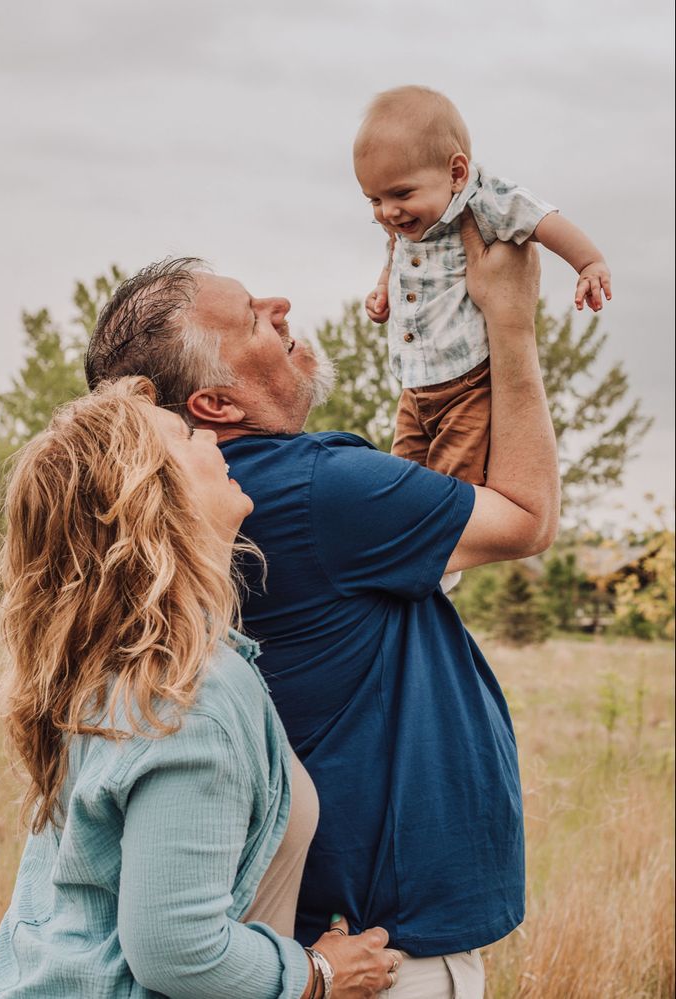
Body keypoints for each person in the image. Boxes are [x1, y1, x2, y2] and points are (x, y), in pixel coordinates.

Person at [84, 214, 559, 998]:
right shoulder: (312, 490)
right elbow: (526, 516)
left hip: (291, 930)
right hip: (377, 944)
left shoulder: (193, 510)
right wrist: (510, 324)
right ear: (216, 403)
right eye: (250, 320)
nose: (278, 306)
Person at [0, 377, 402, 999]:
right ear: (153, 496)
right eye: (183, 434)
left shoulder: (114, 663)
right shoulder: (185, 692)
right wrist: (322, 974)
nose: (209, 435)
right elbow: (177, 951)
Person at [355, 85, 611, 486]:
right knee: (402, 482)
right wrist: (383, 287)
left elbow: (542, 220)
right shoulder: (409, 223)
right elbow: (396, 253)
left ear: (456, 173)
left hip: (467, 382)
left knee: (452, 484)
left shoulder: (485, 200)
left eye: (401, 193)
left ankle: (449, 538)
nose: (388, 211)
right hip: (414, 385)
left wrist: (589, 262)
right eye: (374, 199)